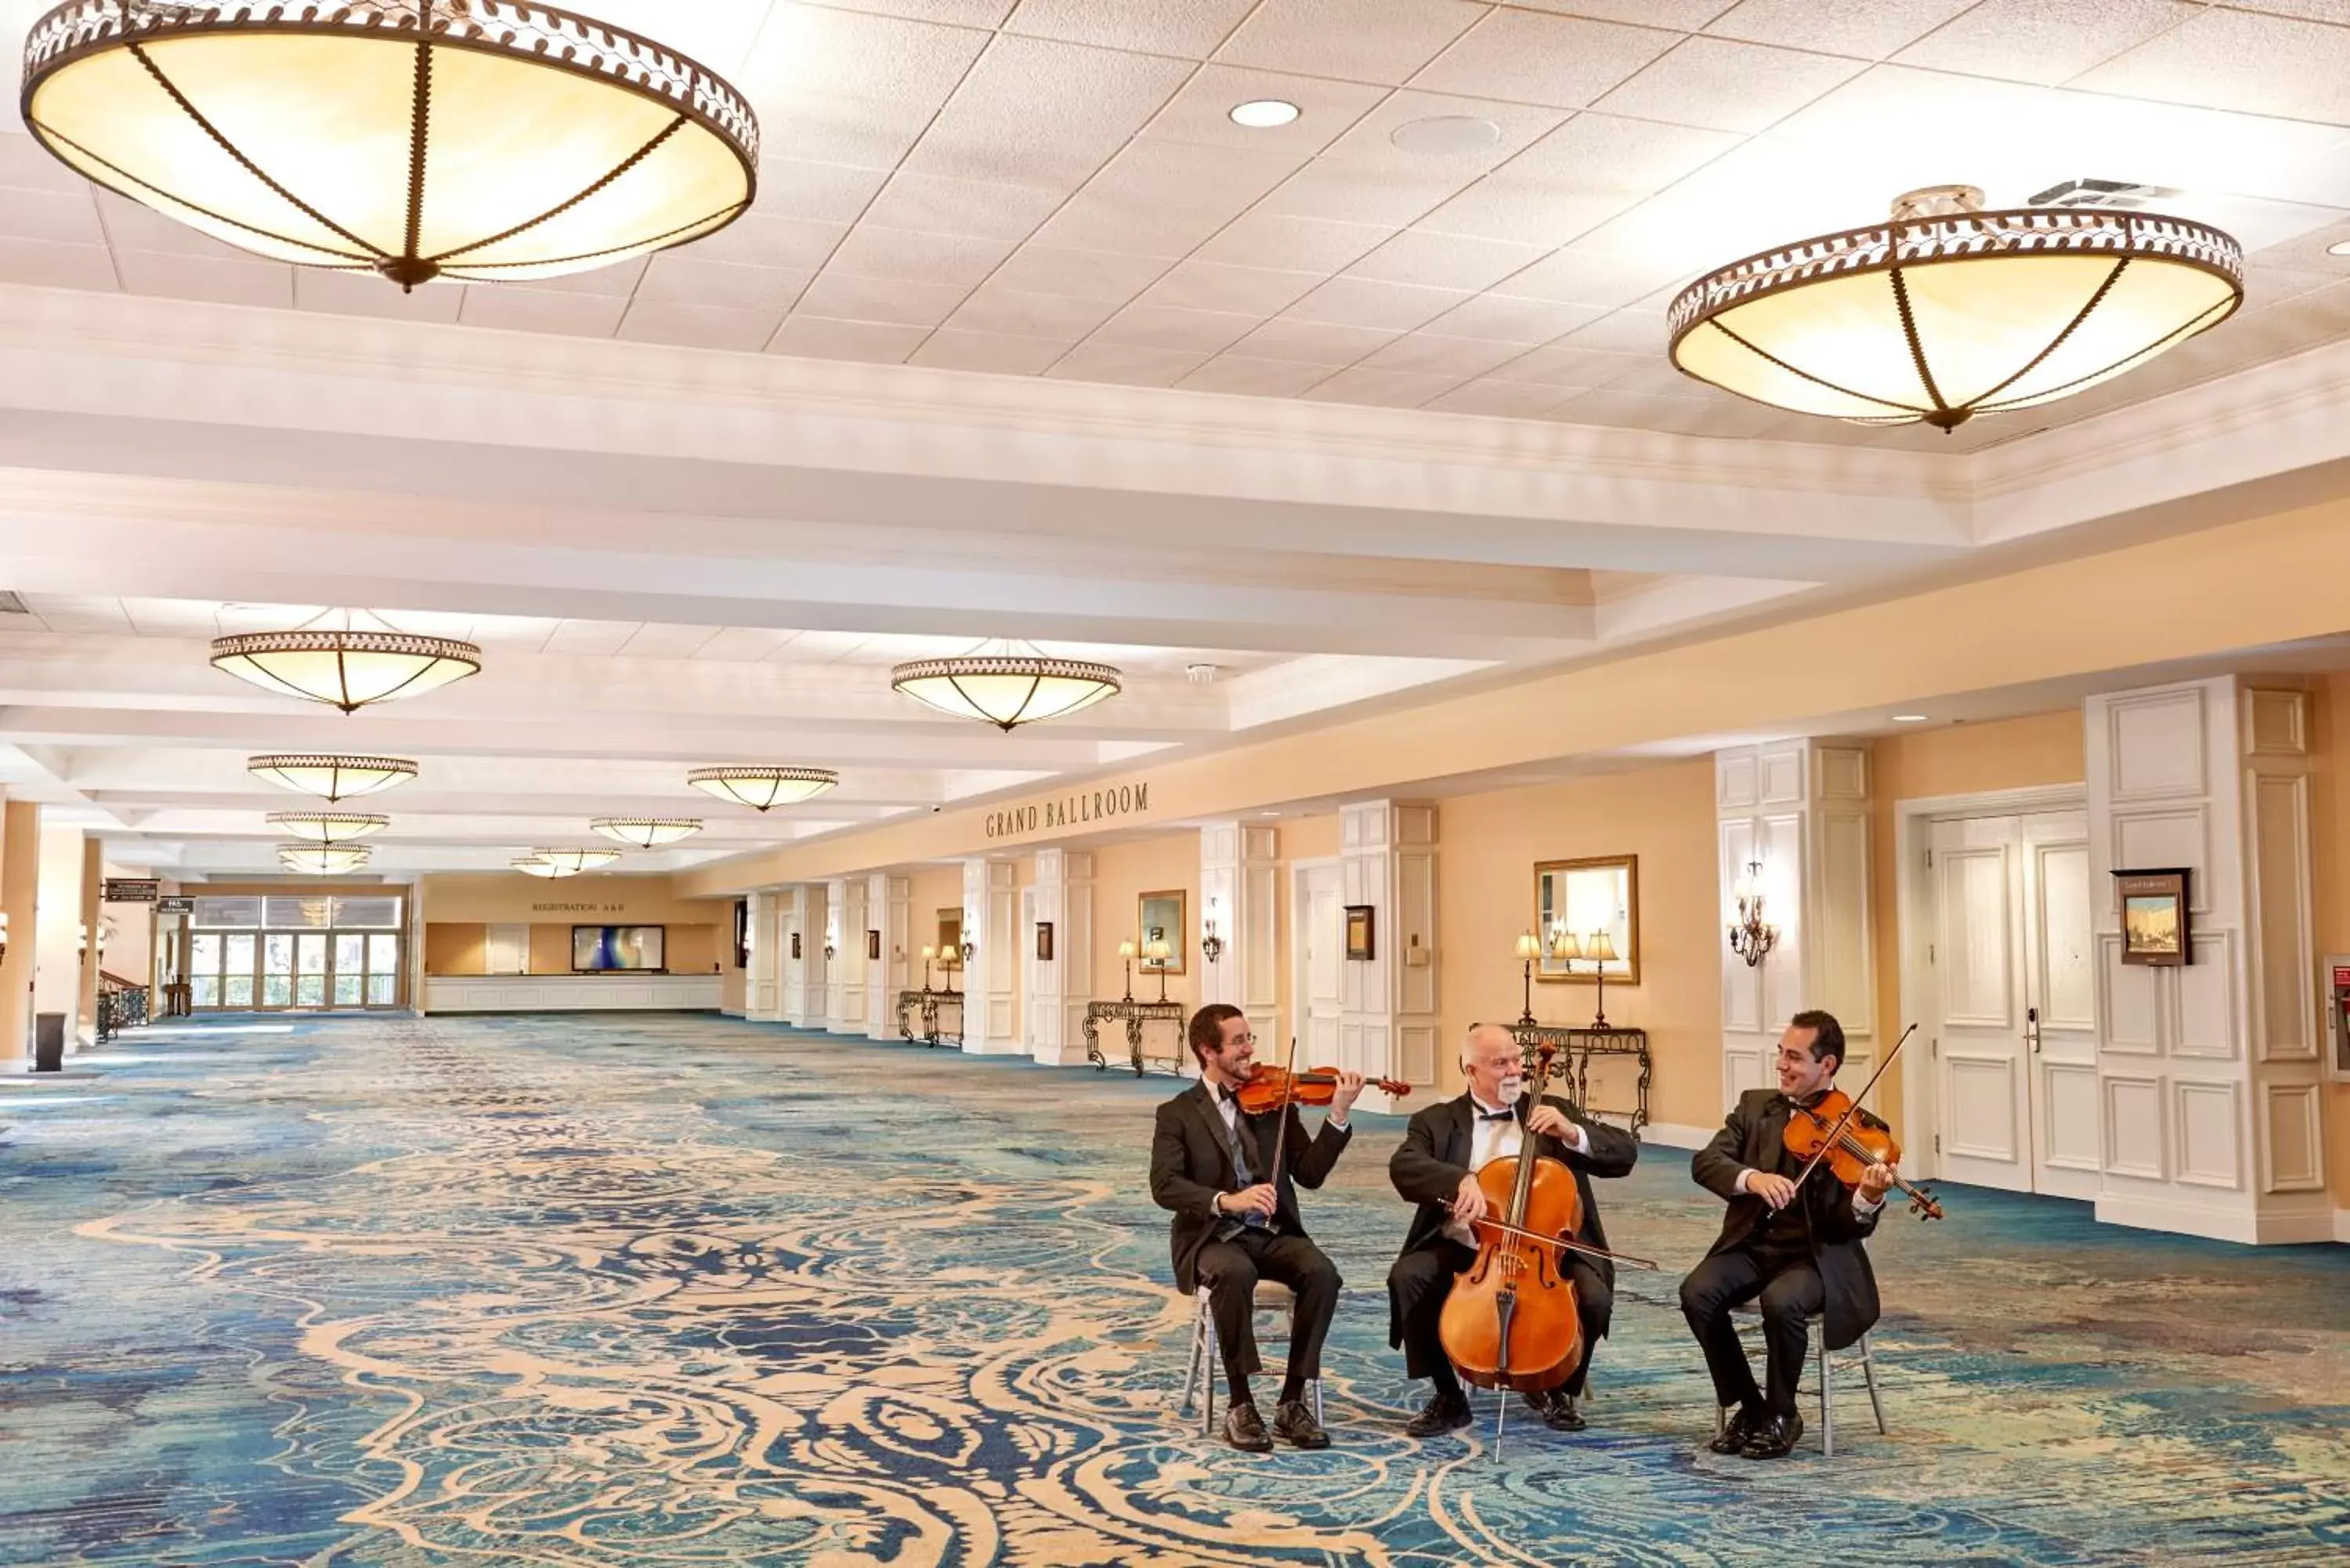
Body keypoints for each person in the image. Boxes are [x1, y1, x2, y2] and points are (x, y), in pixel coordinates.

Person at [1386, 1021, 1638, 1437]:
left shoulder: (1552, 1111)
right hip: (1470, 1250)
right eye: (1500, 1063)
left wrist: (1572, 1133)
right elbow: (1404, 1166)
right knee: (1408, 1278)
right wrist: (1458, 1180)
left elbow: (1625, 1153)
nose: (1514, 1071)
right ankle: (1449, 1396)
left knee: (1593, 1299)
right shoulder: (1436, 1121)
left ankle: (1557, 1386)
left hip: (1548, 1253)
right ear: (1471, 1071)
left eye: (1517, 1060)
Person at [1679, 1010, 1896, 1459]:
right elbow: (1706, 1162)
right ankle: (1751, 1405)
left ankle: (1783, 1413)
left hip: (1817, 1258)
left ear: (1828, 1065)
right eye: (1781, 1053)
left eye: (1794, 1057)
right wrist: (1752, 1178)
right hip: (1754, 1245)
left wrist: (1868, 1199)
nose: (1781, 1065)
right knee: (1696, 1292)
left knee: (1783, 1301)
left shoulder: (1864, 1132)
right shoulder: (1755, 1106)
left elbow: (1846, 1227)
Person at [1149, 1003, 1364, 1454]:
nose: (1251, 1050)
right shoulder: (1177, 1113)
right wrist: (1227, 1201)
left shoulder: (1274, 1103)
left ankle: (1291, 1400)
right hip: (1212, 1237)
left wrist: (1338, 1115)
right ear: (1209, 1051)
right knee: (1234, 1274)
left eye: (1251, 1039)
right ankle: (1241, 1402)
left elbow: (1310, 1173)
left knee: (1322, 1273)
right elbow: (1165, 1186)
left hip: (1271, 1231)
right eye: (1240, 1041)